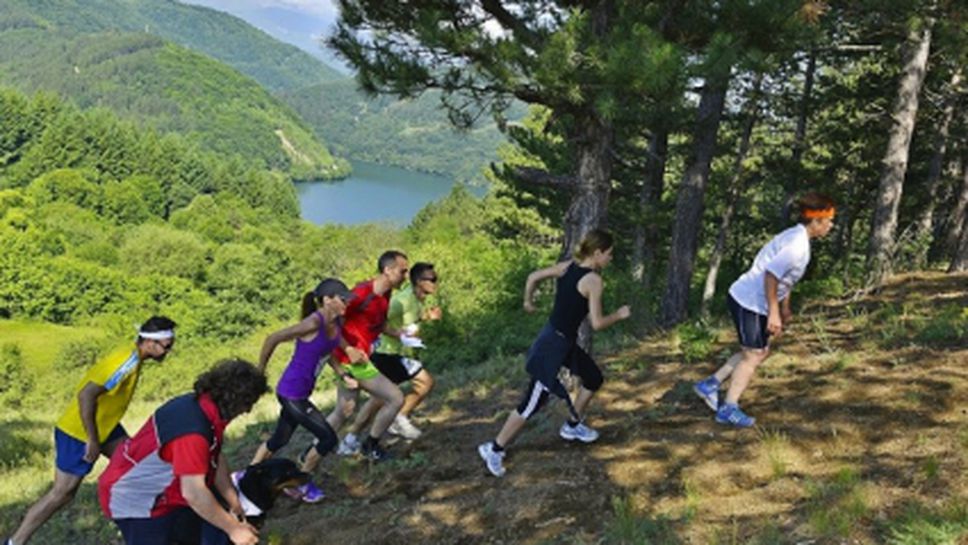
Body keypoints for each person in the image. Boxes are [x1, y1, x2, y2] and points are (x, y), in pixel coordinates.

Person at [3, 316, 176, 545]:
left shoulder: (133, 358)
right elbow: (86, 394)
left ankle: (152, 525)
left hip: (105, 427)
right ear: (150, 343)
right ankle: (16, 541)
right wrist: (93, 440)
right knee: (62, 493)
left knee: (137, 463)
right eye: (167, 346)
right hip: (79, 432)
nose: (169, 351)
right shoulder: (126, 362)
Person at [477, 229, 631, 477]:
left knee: (593, 378)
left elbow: (533, 276)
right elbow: (598, 323)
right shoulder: (593, 280)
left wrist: (528, 301)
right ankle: (494, 448)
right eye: (609, 254)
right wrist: (620, 315)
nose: (611, 259)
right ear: (598, 252)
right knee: (533, 402)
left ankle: (572, 426)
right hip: (552, 347)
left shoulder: (567, 267)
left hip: (561, 340)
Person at [693, 192, 836, 427]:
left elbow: (785, 279)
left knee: (757, 351)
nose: (831, 226)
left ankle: (710, 384)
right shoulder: (797, 245)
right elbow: (771, 276)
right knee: (754, 354)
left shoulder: (798, 237)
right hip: (750, 301)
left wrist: (785, 306)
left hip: (755, 301)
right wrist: (774, 312)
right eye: (828, 221)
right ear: (816, 221)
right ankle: (728, 408)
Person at [98, 358, 269, 545]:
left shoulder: (204, 407)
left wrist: (232, 498)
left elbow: (214, 457)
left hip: (168, 495)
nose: (248, 410)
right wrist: (233, 529)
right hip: (137, 500)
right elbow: (194, 493)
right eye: (248, 403)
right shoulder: (193, 433)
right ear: (235, 400)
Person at [240, 279, 354, 504]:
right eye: (343, 300)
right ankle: (304, 484)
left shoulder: (336, 321)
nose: (346, 304)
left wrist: (343, 374)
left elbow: (328, 350)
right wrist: (259, 372)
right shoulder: (313, 323)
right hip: (291, 393)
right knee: (327, 438)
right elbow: (273, 338)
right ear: (327, 300)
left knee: (279, 440)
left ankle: (247, 478)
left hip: (301, 392)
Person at [340, 262, 442, 444]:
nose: (436, 283)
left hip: (395, 352)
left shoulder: (418, 300)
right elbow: (380, 322)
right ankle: (395, 421)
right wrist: (396, 334)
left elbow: (410, 319)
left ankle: (352, 438)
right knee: (421, 383)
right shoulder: (400, 300)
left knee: (380, 399)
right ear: (419, 281)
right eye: (432, 279)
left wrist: (427, 317)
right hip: (384, 352)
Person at [325, 250, 409, 461]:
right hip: (349, 360)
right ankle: (370, 446)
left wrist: (400, 334)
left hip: (361, 359)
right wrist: (348, 349)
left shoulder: (385, 296)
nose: (406, 276)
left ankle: (313, 449)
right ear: (388, 270)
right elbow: (331, 322)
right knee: (395, 398)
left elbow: (378, 325)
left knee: (344, 411)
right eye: (403, 271)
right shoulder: (361, 293)